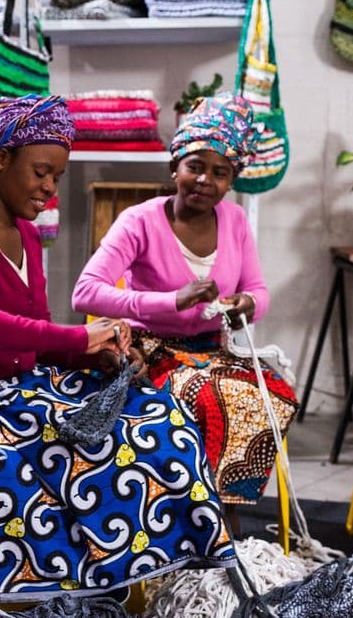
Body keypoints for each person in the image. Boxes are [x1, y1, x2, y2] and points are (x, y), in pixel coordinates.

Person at [0, 94, 234, 604]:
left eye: (57, 177)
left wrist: (93, 355)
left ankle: (123, 579)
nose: (49, 188)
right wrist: (78, 337)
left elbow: (34, 331)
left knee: (154, 415)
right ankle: (52, 594)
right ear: (0, 159)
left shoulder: (25, 233)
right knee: (64, 451)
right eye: (41, 172)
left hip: (16, 388)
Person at [72, 92, 298, 515]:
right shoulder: (139, 221)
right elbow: (85, 292)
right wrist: (171, 301)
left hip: (214, 349)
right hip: (151, 349)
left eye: (221, 172)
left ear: (233, 180)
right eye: (195, 166)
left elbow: (260, 292)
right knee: (207, 397)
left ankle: (224, 514)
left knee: (275, 394)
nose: (205, 181)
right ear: (174, 166)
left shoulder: (234, 222)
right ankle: (188, 515)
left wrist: (244, 303)